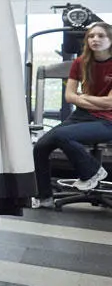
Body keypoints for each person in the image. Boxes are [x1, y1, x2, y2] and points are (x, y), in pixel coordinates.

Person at [32, 22, 112, 206]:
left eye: (101, 36)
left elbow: (110, 103)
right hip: (82, 115)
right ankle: (44, 197)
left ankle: (92, 171)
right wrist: (86, 100)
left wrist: (83, 98)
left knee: (61, 135)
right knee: (41, 146)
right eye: (91, 36)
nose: (95, 40)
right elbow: (70, 96)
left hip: (108, 120)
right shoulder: (80, 62)